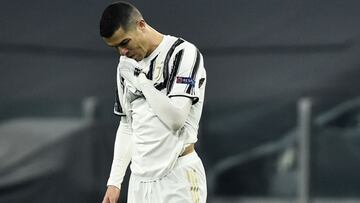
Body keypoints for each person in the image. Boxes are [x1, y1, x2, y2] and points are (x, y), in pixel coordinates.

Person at [99, 1, 207, 202]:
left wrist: (141, 81)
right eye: (115, 48)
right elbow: (127, 125)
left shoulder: (182, 53)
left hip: (178, 177)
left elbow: (176, 119)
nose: (122, 53)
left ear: (141, 25)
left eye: (124, 43)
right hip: (139, 183)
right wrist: (114, 182)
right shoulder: (125, 66)